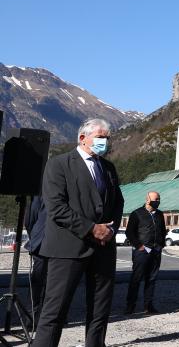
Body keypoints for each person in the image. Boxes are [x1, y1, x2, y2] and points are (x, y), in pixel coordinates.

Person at [34, 118, 124, 347]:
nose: (106, 141)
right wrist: (92, 229)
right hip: (68, 248)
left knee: (99, 311)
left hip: (103, 249)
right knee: (55, 312)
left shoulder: (108, 168)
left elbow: (117, 202)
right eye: (101, 137)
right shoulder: (59, 164)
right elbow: (57, 208)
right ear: (83, 138)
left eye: (107, 137)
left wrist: (110, 229)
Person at [125, 191, 167, 314]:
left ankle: (148, 306)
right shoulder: (137, 213)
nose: (158, 201)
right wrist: (139, 246)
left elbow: (163, 230)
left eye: (159, 199)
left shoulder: (159, 214)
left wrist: (161, 244)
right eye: (156, 199)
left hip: (156, 250)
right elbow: (129, 232)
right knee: (136, 278)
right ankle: (130, 306)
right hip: (142, 251)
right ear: (147, 200)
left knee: (152, 279)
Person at [24, 195, 47, 330]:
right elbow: (30, 219)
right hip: (41, 244)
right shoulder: (41, 192)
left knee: (55, 284)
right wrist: (36, 236)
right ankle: (31, 320)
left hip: (61, 246)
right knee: (37, 283)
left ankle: (48, 318)